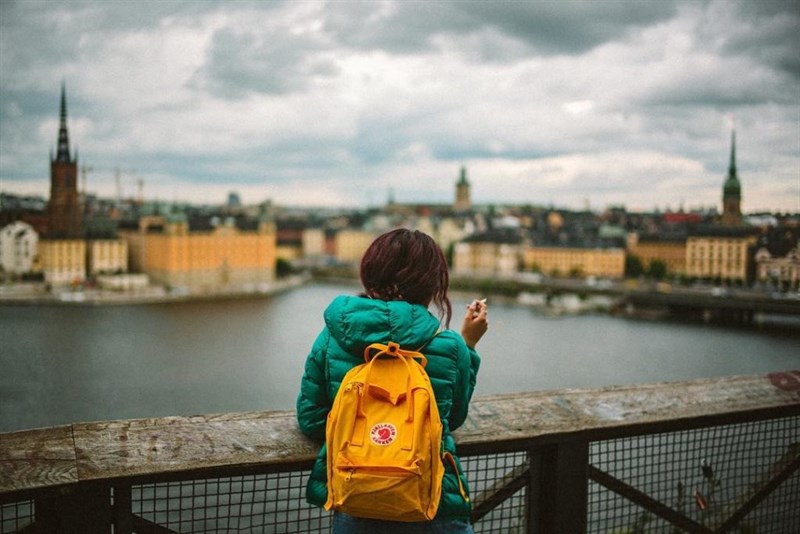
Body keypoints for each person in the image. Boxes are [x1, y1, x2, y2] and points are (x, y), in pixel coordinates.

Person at [297, 228, 488, 533]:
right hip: (432, 500)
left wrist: (369, 442)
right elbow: (452, 418)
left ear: (370, 273)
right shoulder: (450, 346)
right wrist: (469, 346)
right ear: (432, 284)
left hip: (357, 500)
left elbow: (311, 420)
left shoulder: (332, 338)